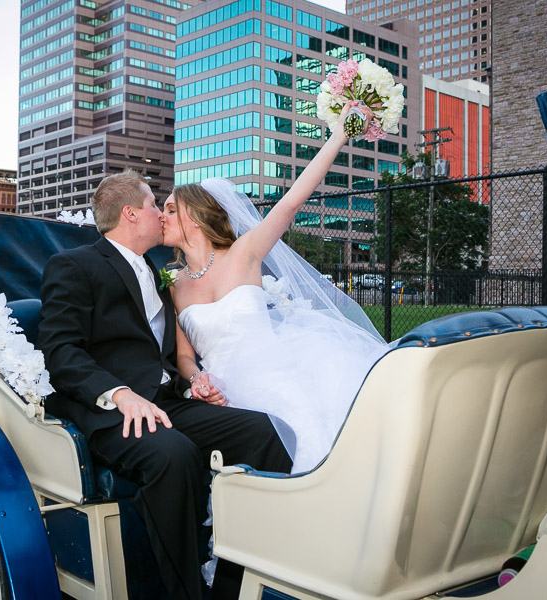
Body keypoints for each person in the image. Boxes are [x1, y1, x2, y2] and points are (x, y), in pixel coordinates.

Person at [37, 169, 292, 600]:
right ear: (131, 214)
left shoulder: (160, 275)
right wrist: (119, 394)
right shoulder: (74, 265)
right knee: (175, 456)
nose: (162, 212)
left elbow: (171, 355)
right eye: (155, 205)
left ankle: (233, 582)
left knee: (263, 432)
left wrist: (194, 384)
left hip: (167, 400)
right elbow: (60, 352)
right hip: (111, 410)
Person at [163, 101, 390, 473]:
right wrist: (198, 379)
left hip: (279, 370)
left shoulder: (244, 253)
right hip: (224, 392)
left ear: (198, 217)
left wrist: (339, 135)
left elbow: (293, 200)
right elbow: (184, 356)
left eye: (172, 208)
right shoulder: (174, 283)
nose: (162, 215)